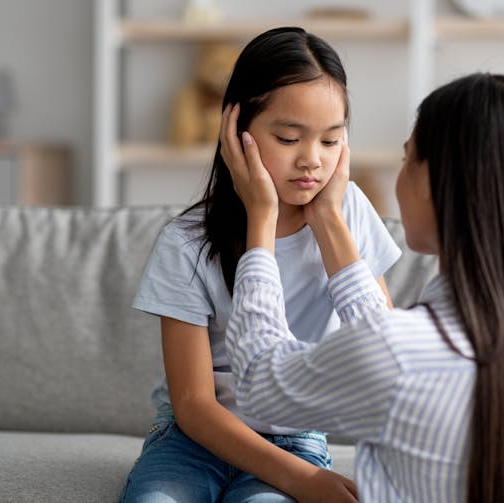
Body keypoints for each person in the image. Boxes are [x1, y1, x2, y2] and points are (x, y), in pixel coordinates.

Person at [222, 73, 504, 502]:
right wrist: (328, 219)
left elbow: (259, 385)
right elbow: (383, 350)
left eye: (407, 160)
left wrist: (260, 220)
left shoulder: (399, 351)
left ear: (438, 183)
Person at [121, 27, 402, 502]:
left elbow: (385, 350)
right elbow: (192, 405)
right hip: (193, 441)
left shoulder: (349, 213)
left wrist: (329, 218)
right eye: (289, 137)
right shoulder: (186, 242)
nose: (312, 160)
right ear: (237, 129)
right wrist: (262, 217)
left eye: (331, 141)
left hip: (296, 437)